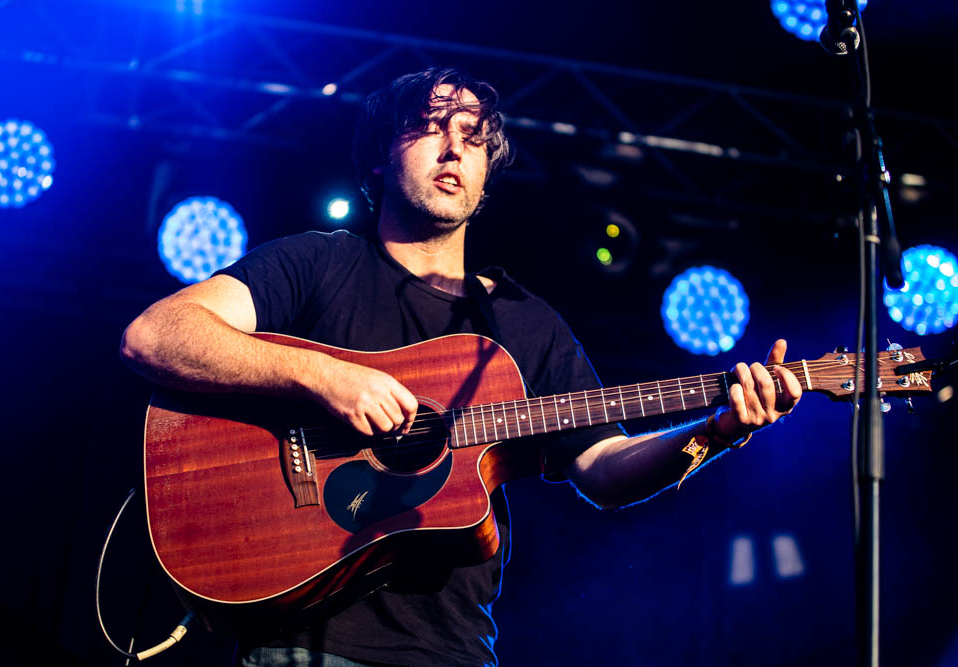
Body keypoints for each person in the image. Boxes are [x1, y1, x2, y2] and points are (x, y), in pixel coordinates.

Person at [120, 67, 801, 667]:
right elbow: (155, 335)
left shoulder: (525, 324)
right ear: (380, 157)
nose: (454, 149)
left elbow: (602, 467)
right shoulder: (318, 263)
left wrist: (716, 431)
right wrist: (325, 377)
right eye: (430, 127)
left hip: (453, 649)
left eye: (473, 137)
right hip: (299, 641)